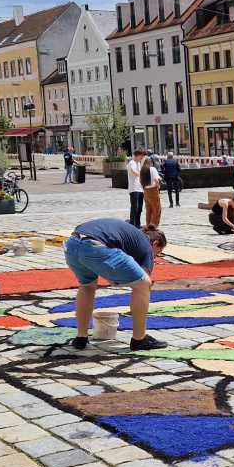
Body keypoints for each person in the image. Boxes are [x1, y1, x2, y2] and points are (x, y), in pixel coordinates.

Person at [61, 219, 168, 351]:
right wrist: (117, 279)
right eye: (158, 252)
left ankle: (81, 338)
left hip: (72, 244)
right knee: (144, 284)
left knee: (87, 286)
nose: (155, 257)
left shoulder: (131, 235)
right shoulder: (146, 247)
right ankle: (139, 339)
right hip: (94, 246)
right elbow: (142, 278)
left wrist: (113, 276)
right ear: (155, 243)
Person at [127, 149, 146, 226]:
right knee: (135, 207)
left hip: (140, 188)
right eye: (141, 156)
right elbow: (134, 172)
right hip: (134, 188)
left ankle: (138, 223)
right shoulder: (131, 163)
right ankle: (132, 223)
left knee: (140, 208)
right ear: (137, 155)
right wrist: (141, 174)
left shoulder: (138, 163)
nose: (142, 158)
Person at [141, 161, 162, 228]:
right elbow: (156, 179)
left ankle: (148, 224)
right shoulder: (152, 169)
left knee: (148, 210)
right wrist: (157, 185)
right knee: (156, 209)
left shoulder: (142, 170)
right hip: (152, 189)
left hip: (145, 190)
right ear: (151, 163)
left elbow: (140, 181)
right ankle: (154, 225)